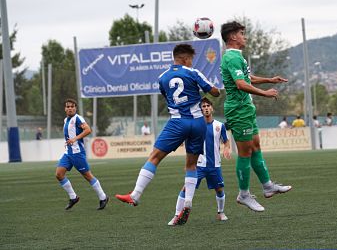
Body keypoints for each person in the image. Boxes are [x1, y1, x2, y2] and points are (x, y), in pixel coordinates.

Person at [115, 44, 220, 225]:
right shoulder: (193, 73)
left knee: (154, 157)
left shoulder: (162, 77)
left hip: (177, 122)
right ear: (186, 58)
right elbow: (215, 93)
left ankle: (136, 195)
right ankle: (187, 203)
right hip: (197, 123)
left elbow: (168, 97)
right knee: (191, 165)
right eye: (191, 59)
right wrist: (204, 87)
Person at [220, 21, 291, 212]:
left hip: (246, 108)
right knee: (245, 152)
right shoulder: (231, 58)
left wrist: (269, 79)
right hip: (238, 110)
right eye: (242, 33)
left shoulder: (237, 57)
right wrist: (265, 92)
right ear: (233, 37)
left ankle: (268, 186)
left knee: (256, 146)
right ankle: (243, 195)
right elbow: (241, 84)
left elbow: (247, 78)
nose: (245, 37)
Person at [168, 97, 231, 226]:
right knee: (185, 189)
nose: (206, 108)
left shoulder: (219, 126)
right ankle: (176, 216)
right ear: (200, 110)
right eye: (203, 106)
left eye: (208, 105)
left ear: (212, 108)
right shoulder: (194, 126)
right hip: (198, 166)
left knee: (219, 189)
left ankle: (221, 212)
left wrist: (227, 149)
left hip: (214, 165)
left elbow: (226, 141)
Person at [56, 98, 109, 210]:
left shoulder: (78, 118)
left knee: (88, 176)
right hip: (68, 153)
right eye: (68, 106)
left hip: (77, 153)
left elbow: (88, 130)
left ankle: (103, 197)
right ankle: (73, 197)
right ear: (65, 109)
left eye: (72, 106)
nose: (70, 108)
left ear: (75, 107)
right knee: (59, 174)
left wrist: (75, 139)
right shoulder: (66, 120)